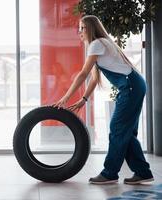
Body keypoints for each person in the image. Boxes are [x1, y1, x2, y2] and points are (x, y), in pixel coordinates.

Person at [53, 15, 154, 185]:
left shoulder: (96, 44)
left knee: (117, 128)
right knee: (125, 131)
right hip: (134, 85)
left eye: (82, 28)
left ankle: (110, 173)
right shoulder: (100, 44)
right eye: (79, 28)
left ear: (91, 28)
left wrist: (65, 98)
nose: (80, 32)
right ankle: (143, 172)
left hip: (130, 86)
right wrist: (84, 99)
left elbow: (83, 74)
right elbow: (93, 78)